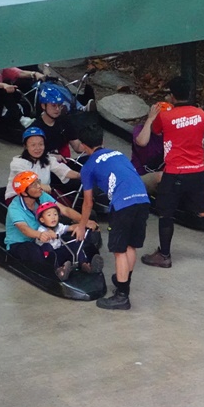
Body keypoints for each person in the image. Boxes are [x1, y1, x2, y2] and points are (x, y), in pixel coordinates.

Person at [140, 76, 204, 269]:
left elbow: (155, 132)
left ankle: (164, 256)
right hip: (197, 172)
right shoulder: (200, 113)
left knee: (166, 215)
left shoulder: (165, 116)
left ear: (172, 97)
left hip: (173, 173)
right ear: (189, 93)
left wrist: (153, 116)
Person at [75, 121, 151, 311]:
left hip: (123, 204)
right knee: (130, 245)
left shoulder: (88, 166)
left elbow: (88, 202)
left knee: (119, 251)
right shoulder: (118, 153)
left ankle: (122, 296)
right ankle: (122, 281)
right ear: (102, 140)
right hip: (143, 200)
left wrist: (81, 226)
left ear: (83, 146)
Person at [133, 101, 204, 205]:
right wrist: (150, 120)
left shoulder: (171, 133)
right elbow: (142, 142)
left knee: (199, 174)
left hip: (170, 174)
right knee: (161, 176)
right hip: (141, 177)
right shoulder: (141, 130)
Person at [5, 171, 100, 272]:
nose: (39, 186)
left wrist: (85, 221)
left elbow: (64, 210)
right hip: (22, 242)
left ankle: (85, 264)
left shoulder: (41, 196)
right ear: (24, 192)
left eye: (38, 182)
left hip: (44, 236)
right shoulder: (14, 208)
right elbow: (24, 229)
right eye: (34, 185)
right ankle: (58, 270)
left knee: (71, 239)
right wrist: (40, 234)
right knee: (34, 250)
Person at [3, 127, 80, 203]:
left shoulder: (48, 159)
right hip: (20, 196)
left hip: (40, 193)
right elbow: (26, 180)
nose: (38, 148)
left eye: (41, 144)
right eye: (33, 145)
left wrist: (81, 176)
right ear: (25, 146)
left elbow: (63, 170)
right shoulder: (17, 163)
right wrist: (40, 185)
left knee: (65, 203)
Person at [35, 201, 103, 280]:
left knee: (74, 244)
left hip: (59, 252)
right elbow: (46, 236)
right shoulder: (41, 229)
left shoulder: (59, 226)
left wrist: (84, 226)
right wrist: (51, 235)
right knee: (48, 247)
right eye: (49, 215)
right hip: (49, 257)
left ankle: (85, 265)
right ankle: (59, 271)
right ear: (42, 220)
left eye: (55, 214)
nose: (53, 217)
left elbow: (70, 228)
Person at [29, 85, 82, 158]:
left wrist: (93, 146)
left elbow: (77, 146)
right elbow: (31, 155)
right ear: (43, 106)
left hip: (64, 165)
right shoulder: (35, 129)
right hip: (44, 166)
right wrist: (50, 157)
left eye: (60, 105)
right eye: (53, 105)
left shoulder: (64, 122)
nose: (57, 109)